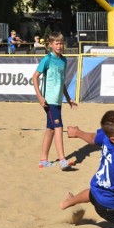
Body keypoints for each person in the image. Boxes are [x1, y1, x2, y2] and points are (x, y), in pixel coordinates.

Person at [32, 32, 77, 170]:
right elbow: (34, 78)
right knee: (59, 127)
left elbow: (62, 82)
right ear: (50, 45)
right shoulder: (47, 59)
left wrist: (68, 98)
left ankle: (43, 160)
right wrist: (40, 97)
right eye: (56, 43)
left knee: (50, 129)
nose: (59, 46)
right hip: (49, 100)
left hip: (57, 100)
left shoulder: (64, 60)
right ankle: (62, 160)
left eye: (61, 43)